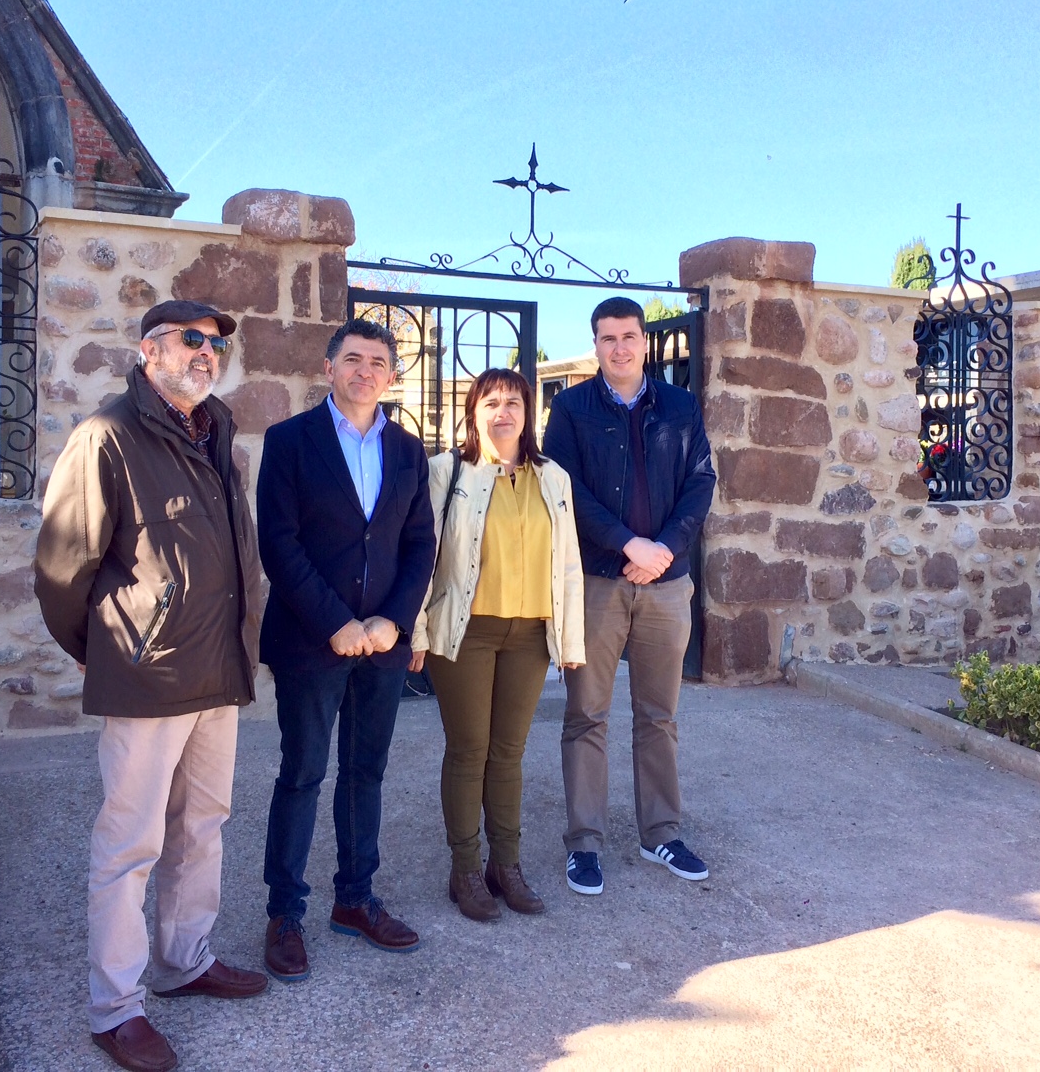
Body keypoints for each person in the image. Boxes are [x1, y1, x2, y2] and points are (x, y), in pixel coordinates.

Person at [35, 300, 267, 1072]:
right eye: (190, 340)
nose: (207, 353)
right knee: (130, 841)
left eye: (216, 344)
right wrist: (104, 650)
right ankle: (116, 1007)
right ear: (149, 350)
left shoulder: (215, 432)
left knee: (202, 825)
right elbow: (62, 567)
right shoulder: (107, 436)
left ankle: (185, 961)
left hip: (218, 669)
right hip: (148, 673)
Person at [256, 317, 436, 982]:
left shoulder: (408, 450)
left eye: (378, 362)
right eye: (354, 359)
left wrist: (394, 620)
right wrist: (335, 621)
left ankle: (355, 900)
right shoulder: (290, 441)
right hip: (312, 641)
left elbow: (420, 543)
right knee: (303, 773)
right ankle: (284, 914)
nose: (366, 371)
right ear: (329, 367)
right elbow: (278, 542)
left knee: (366, 773)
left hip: (382, 645)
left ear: (390, 377)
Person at [542, 295, 716, 897]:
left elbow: (701, 482)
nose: (619, 348)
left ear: (645, 342)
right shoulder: (570, 408)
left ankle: (660, 833)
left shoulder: (681, 406)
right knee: (586, 715)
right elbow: (565, 489)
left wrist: (663, 547)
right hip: (597, 581)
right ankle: (584, 843)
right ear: (595, 344)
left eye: (629, 337)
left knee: (658, 715)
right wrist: (627, 544)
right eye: (608, 338)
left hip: (666, 583)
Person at [409, 368, 585, 922]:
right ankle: (465, 869)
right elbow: (422, 556)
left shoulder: (552, 477)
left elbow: (569, 563)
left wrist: (570, 639)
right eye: (491, 403)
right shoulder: (446, 472)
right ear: (473, 413)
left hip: (529, 635)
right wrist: (416, 630)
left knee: (509, 752)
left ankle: (505, 866)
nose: (503, 412)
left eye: (514, 402)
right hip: (466, 632)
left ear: (529, 413)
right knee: (469, 750)